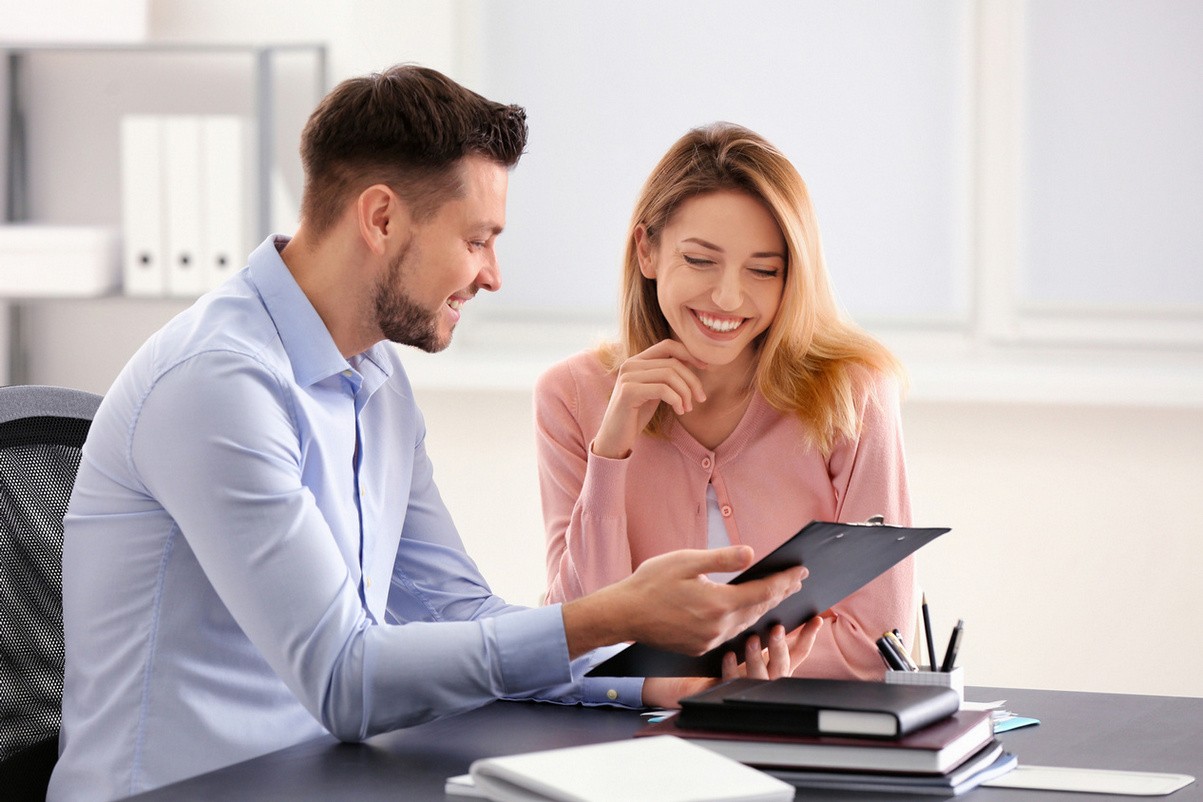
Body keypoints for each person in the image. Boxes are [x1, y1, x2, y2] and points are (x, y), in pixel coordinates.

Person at [47, 69, 809, 802]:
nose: (493, 275)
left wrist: (646, 678)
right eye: (477, 239)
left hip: (316, 777)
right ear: (380, 218)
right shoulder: (218, 385)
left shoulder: (372, 375)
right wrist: (615, 614)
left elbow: (456, 610)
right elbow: (344, 680)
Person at [535, 122, 914, 680]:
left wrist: (690, 669)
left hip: (799, 736)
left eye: (763, 270)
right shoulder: (571, 397)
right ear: (647, 250)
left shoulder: (852, 394)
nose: (730, 297)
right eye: (701, 260)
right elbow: (580, 639)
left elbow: (879, 645)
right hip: (629, 744)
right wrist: (611, 452)